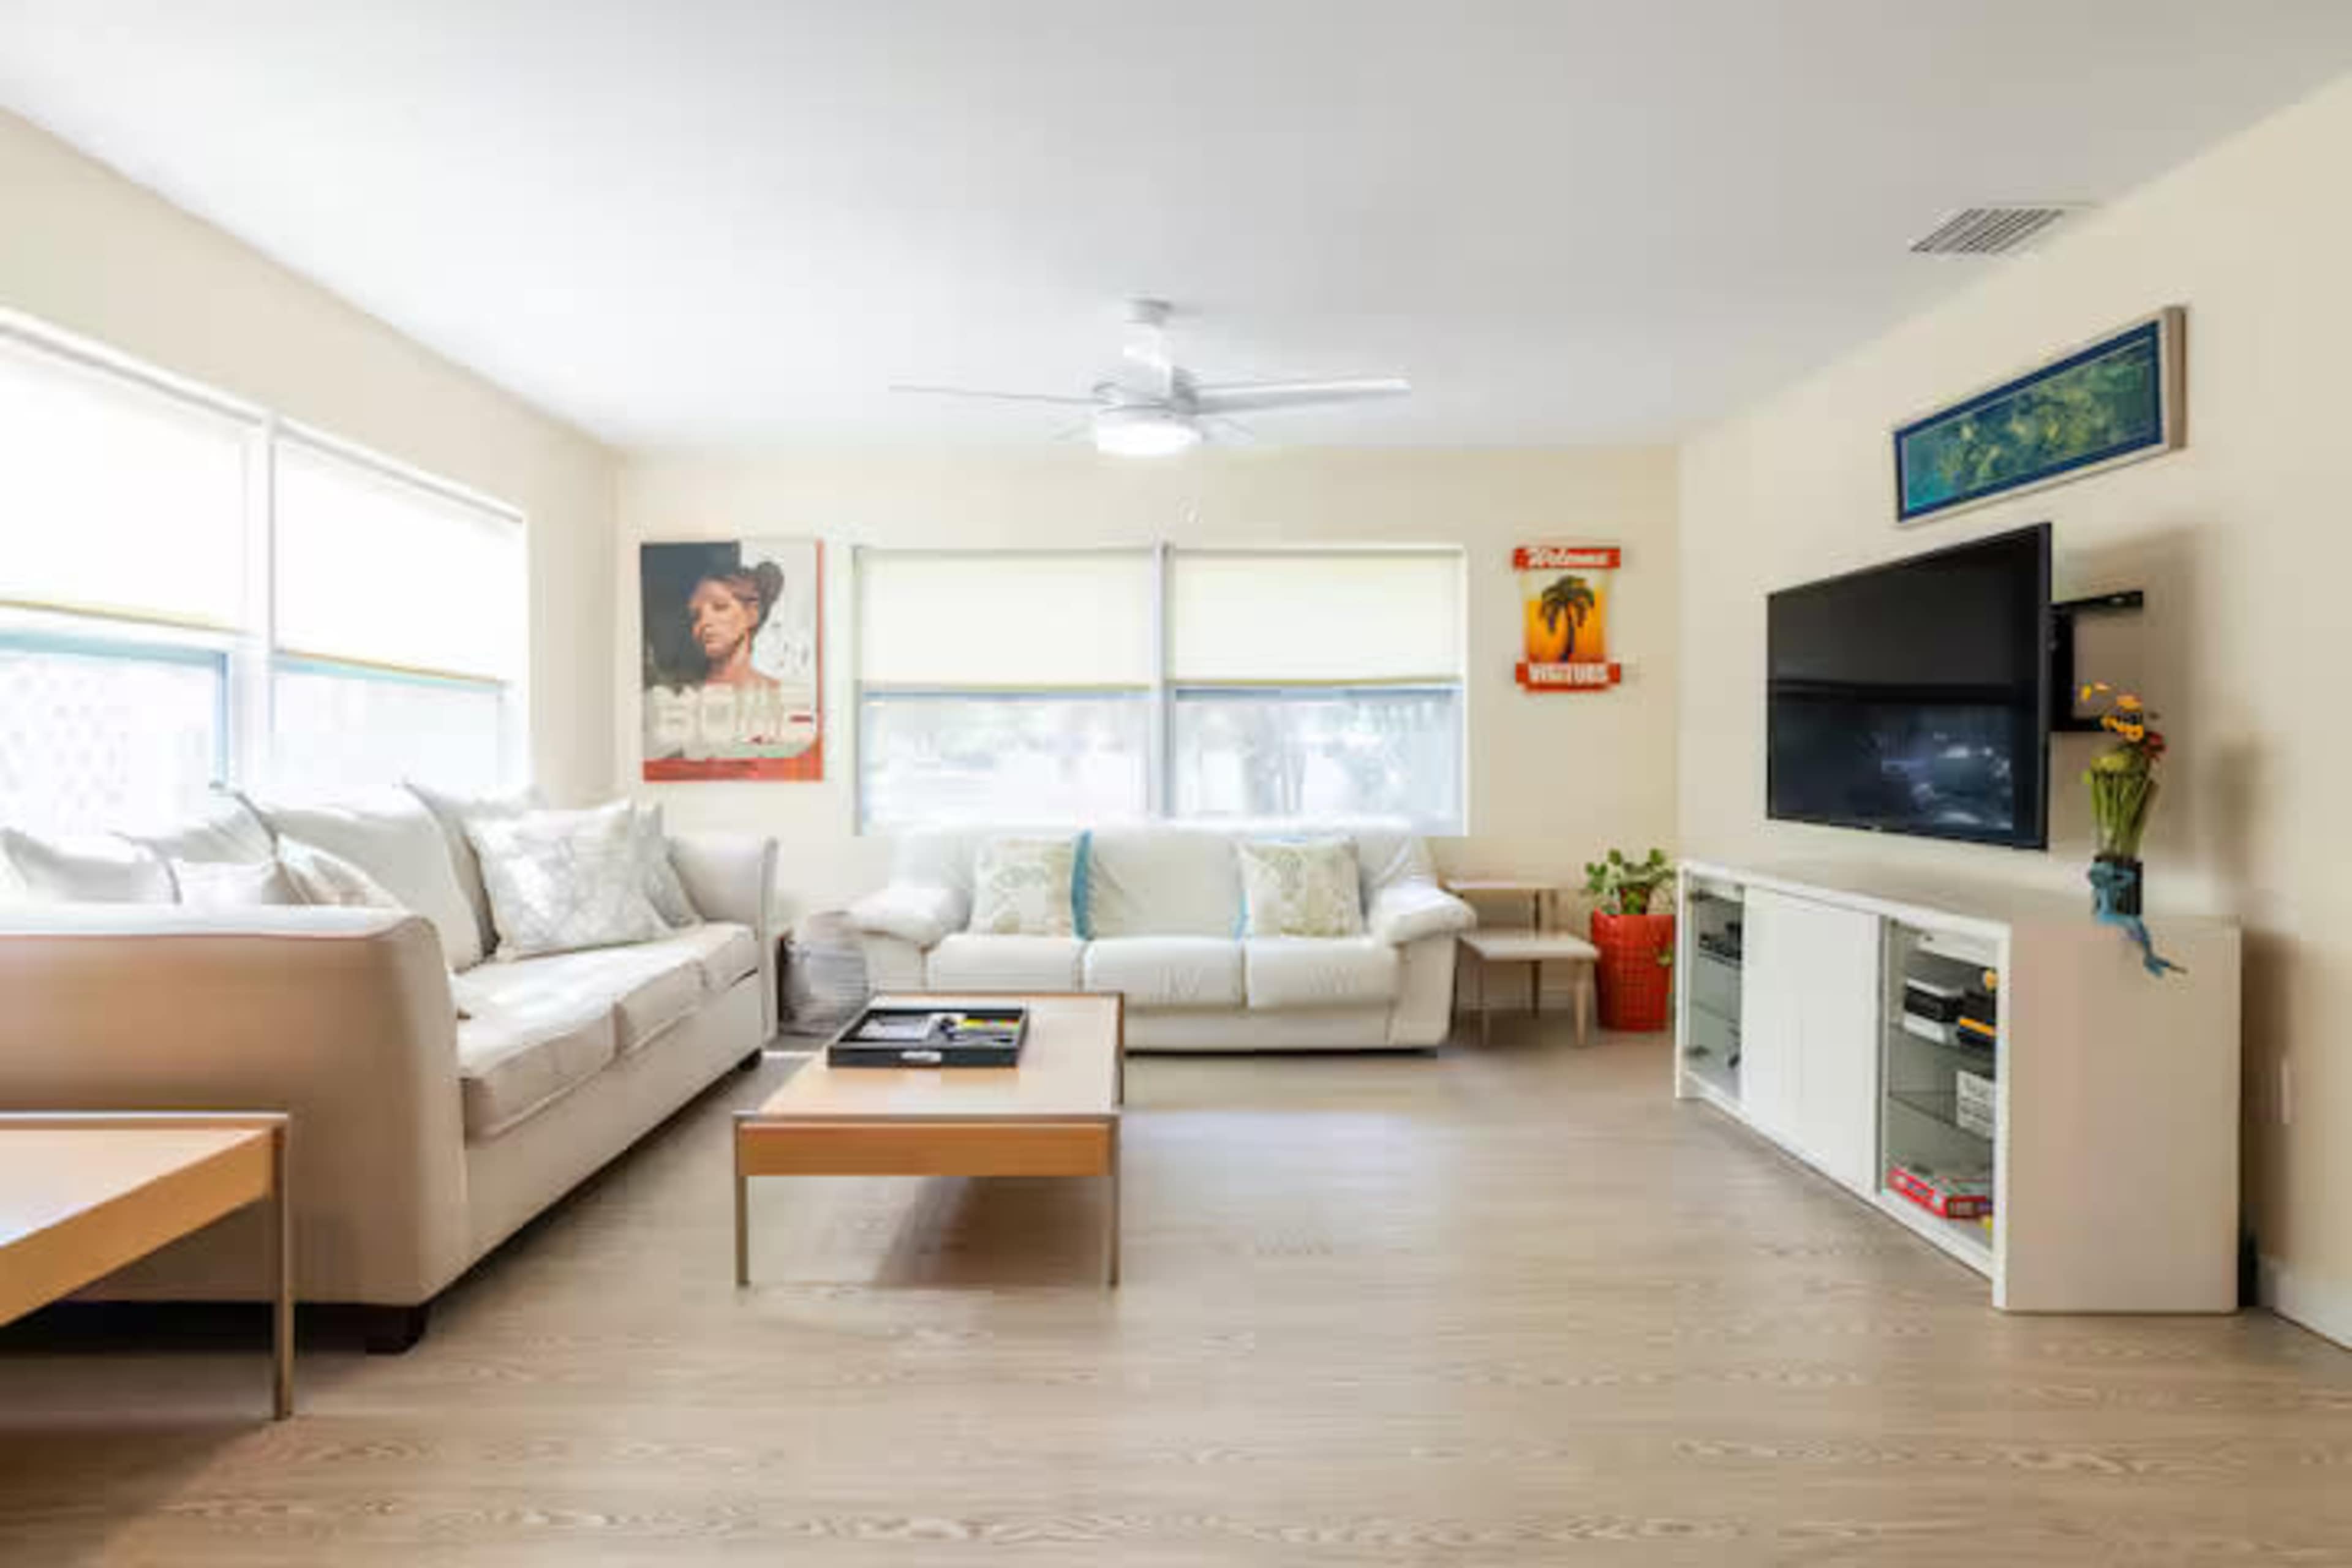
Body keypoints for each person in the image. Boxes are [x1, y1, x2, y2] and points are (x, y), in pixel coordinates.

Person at [687, 561, 785, 688]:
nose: (704, 622)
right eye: (696, 616)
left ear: (752, 614)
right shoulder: (686, 695)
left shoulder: (777, 691)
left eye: (720, 607)